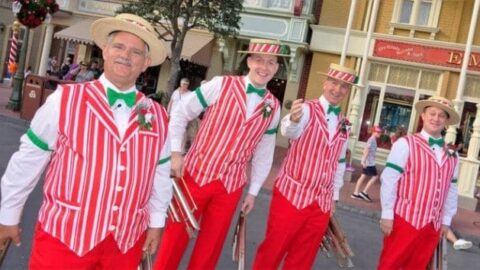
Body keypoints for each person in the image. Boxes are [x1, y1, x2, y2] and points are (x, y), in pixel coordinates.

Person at [0, 13, 172, 269]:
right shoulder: (64, 100)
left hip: (124, 243)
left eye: (136, 52)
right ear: (105, 50)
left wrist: (157, 222)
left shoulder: (158, 115)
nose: (126, 55)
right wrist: (8, 215)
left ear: (146, 63)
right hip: (65, 239)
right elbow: (28, 160)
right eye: (119, 46)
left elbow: (160, 172)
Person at [154, 39, 286, 270]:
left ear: (276, 68)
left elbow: (264, 153)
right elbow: (181, 113)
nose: (264, 67)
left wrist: (253, 191)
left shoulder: (273, 107)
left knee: (211, 247)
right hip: (194, 175)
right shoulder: (221, 84)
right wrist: (176, 153)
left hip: (231, 186)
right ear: (249, 61)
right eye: (259, 60)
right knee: (174, 239)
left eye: (270, 62)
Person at [253, 63, 355, 269]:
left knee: (303, 257)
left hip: (321, 202)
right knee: (274, 249)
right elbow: (289, 131)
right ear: (325, 83)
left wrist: (334, 196)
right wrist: (293, 119)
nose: (337, 89)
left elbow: (339, 161)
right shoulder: (307, 109)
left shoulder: (345, 123)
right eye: (334, 83)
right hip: (292, 194)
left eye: (344, 86)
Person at [378, 96, 460, 270]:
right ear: (423, 116)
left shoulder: (453, 155)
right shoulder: (405, 144)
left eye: (441, 116)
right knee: (390, 265)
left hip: (432, 225)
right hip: (404, 219)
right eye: (432, 113)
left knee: (418, 266)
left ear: (446, 121)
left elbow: (451, 189)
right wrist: (387, 213)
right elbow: (389, 179)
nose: (436, 118)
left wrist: (446, 220)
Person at [351, 125, 383, 202]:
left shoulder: (373, 139)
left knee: (363, 176)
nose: (380, 133)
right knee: (375, 177)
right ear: (374, 132)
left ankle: (355, 193)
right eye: (378, 132)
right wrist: (363, 161)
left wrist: (364, 160)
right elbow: (366, 150)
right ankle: (364, 192)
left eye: (380, 132)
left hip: (368, 161)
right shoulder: (371, 140)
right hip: (369, 163)